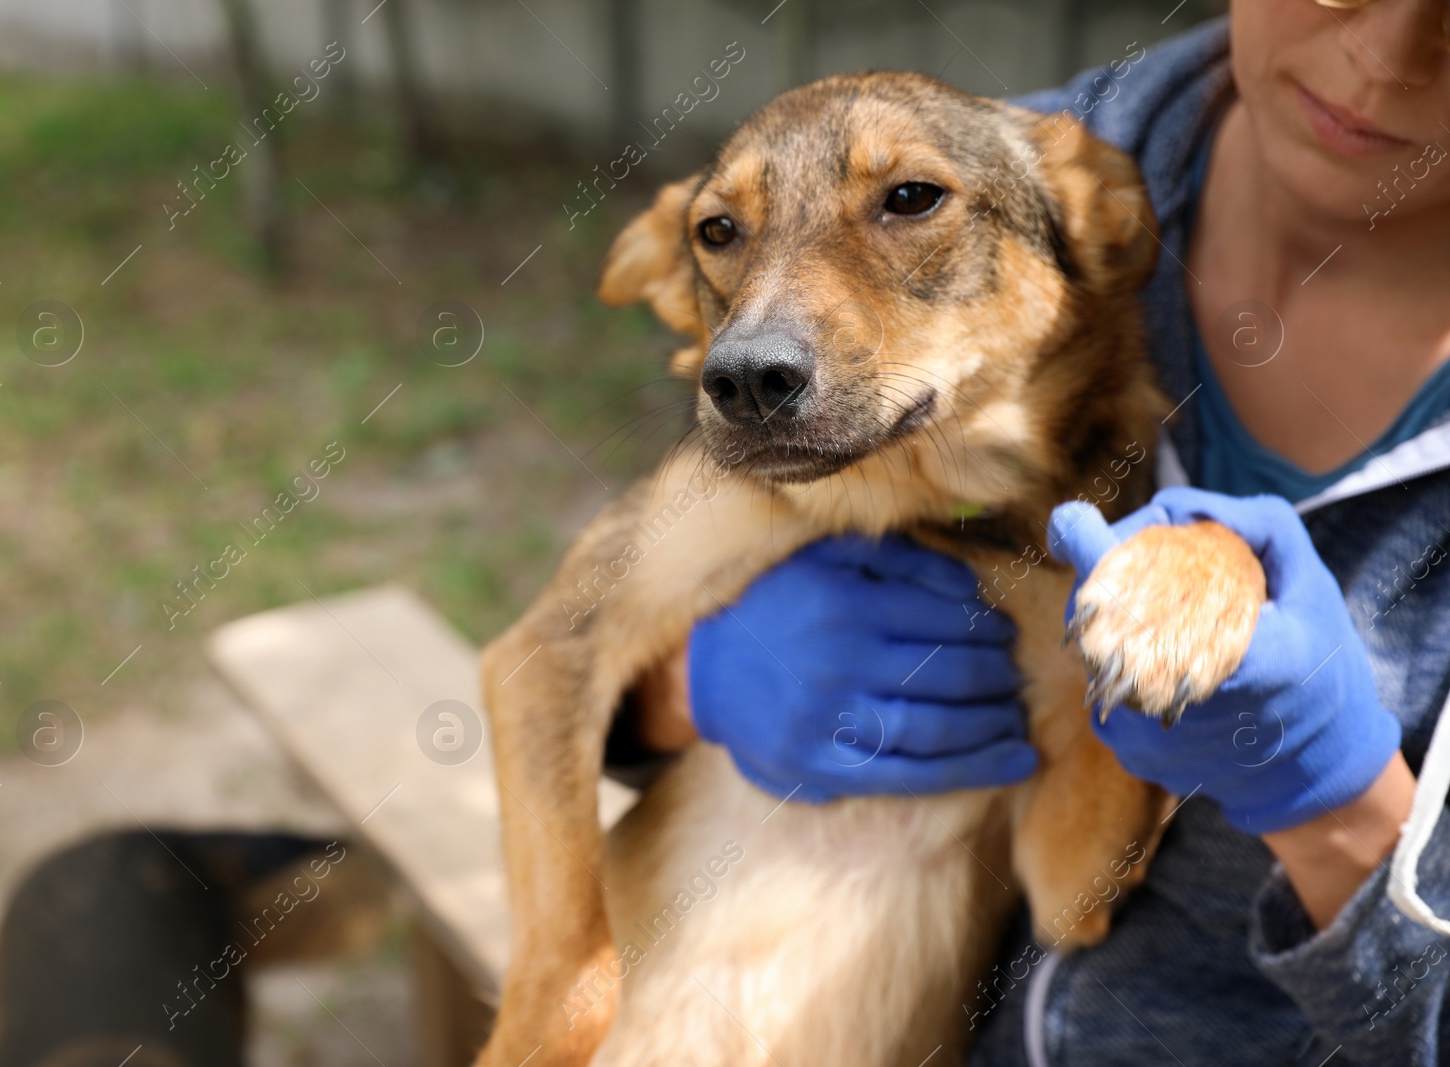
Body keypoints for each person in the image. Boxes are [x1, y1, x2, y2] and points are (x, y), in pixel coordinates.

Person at [613, 2, 1450, 1063]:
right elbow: (597, 627)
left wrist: (1338, 812)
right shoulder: (970, 170)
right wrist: (686, 685)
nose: (1383, 57)